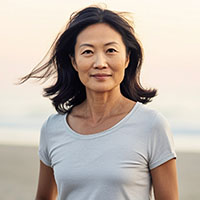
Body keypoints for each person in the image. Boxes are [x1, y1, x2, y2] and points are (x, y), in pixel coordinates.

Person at [20, 5, 178, 200]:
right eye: (87, 52)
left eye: (111, 50)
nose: (100, 63)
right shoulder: (52, 129)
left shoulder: (152, 125)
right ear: (74, 61)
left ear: (127, 58)